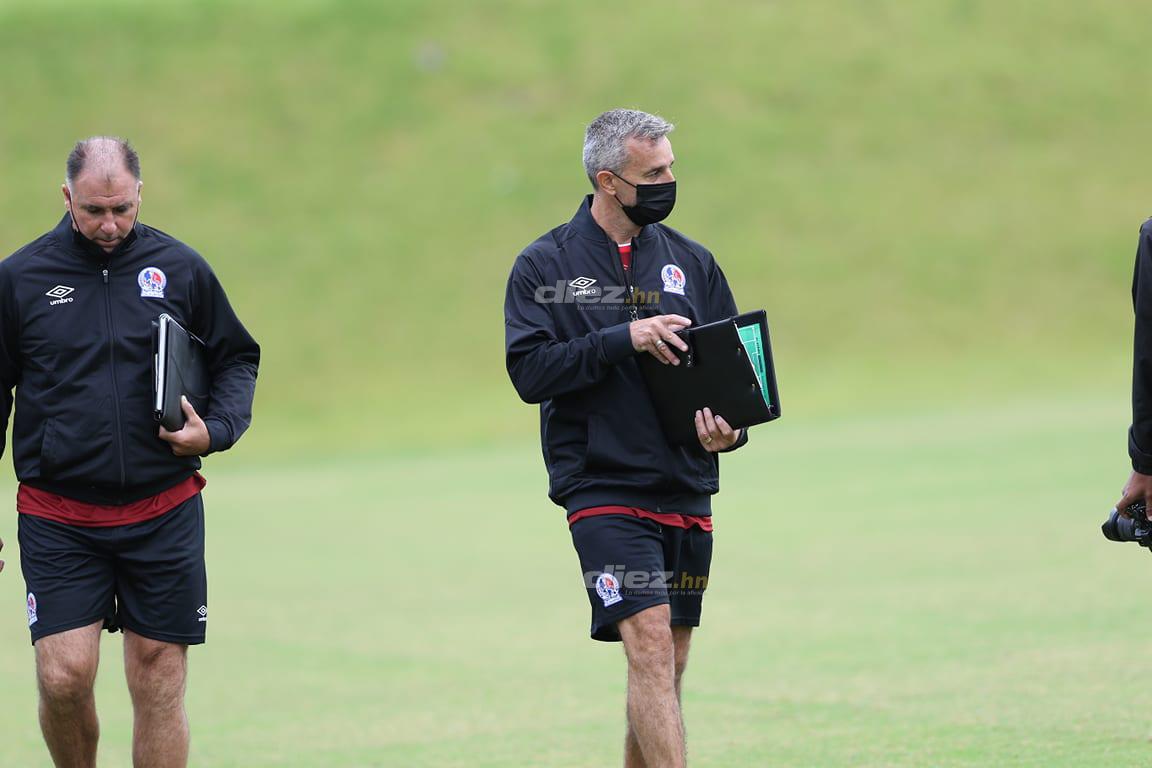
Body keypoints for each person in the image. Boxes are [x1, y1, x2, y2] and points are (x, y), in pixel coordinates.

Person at [0, 136, 259, 768]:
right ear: (67, 198)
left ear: (140, 194)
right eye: (94, 211)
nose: (110, 225)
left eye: (121, 209)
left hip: (161, 511)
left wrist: (216, 429)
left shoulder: (182, 268)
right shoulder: (19, 278)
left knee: (159, 678)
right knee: (64, 675)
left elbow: (237, 357)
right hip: (60, 515)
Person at [504, 109, 750, 768]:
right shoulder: (545, 265)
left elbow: (730, 378)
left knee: (667, 668)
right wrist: (625, 337)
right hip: (605, 491)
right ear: (608, 180)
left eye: (671, 167)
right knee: (647, 644)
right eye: (656, 173)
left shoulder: (692, 263)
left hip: (687, 486)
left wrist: (730, 430)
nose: (670, 180)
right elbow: (529, 372)